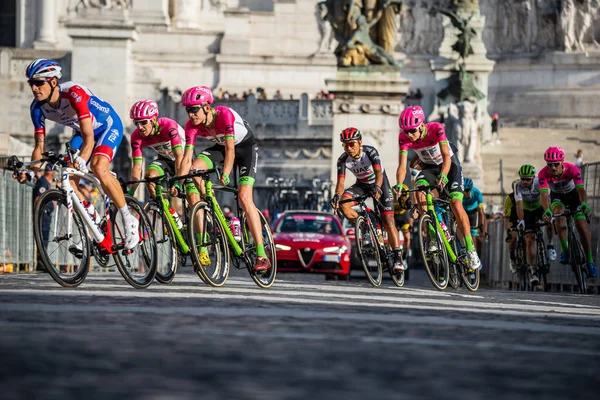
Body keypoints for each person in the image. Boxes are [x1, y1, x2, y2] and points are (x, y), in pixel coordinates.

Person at [17, 59, 138, 250]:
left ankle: (127, 218)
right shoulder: (37, 108)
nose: (35, 88)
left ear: (53, 82)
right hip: (81, 132)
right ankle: (92, 222)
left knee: (98, 166)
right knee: (68, 180)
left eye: (39, 83)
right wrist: (32, 170)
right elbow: (39, 146)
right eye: (31, 83)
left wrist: (82, 160)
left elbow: (90, 137)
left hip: (106, 126)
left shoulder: (73, 93)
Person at [179, 85, 270, 272]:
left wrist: (226, 174)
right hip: (220, 148)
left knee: (245, 197)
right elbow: (187, 158)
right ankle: (211, 203)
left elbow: (231, 151)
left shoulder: (224, 115)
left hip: (244, 149)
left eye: (194, 109)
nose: (190, 115)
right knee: (195, 169)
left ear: (206, 107)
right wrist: (179, 181)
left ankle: (262, 254)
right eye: (188, 110)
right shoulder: (191, 126)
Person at [396, 105, 481, 270]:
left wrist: (443, 174)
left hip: (449, 166)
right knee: (420, 192)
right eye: (406, 131)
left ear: (421, 125)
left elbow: (446, 156)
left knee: (456, 204)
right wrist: (400, 184)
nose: (409, 135)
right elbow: (402, 166)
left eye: (412, 130)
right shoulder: (404, 138)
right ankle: (434, 235)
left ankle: (470, 250)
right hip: (429, 169)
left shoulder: (436, 128)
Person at [330, 127, 405, 272]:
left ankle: (398, 257)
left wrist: (377, 187)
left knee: (389, 221)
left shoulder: (370, 152)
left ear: (359, 142)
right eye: (346, 145)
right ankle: (365, 224)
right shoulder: (343, 160)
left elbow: (379, 173)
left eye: (352, 144)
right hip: (362, 185)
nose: (349, 148)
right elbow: (340, 183)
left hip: (380, 183)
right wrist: (337, 197)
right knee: (343, 204)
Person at [539, 146, 597, 277]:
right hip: (557, 197)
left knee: (582, 225)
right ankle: (565, 250)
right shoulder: (543, 173)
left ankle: (589, 261)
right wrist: (547, 210)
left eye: (555, 164)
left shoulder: (572, 169)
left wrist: (583, 203)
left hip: (574, 196)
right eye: (549, 164)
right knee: (558, 213)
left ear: (562, 162)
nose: (552, 167)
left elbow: (581, 189)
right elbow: (543, 195)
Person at [127, 100, 186, 198]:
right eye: (136, 123)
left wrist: (177, 182)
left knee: (192, 197)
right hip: (165, 159)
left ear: (154, 119)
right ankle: (167, 210)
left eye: (143, 122)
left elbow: (179, 156)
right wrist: (131, 192)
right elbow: (137, 167)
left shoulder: (168, 126)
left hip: (184, 158)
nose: (140, 127)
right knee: (150, 178)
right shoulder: (136, 136)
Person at [514, 164, 556, 285]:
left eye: (528, 179)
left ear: (533, 178)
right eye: (523, 179)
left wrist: (549, 214)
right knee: (529, 239)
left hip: (539, 207)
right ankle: (533, 271)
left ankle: (551, 244)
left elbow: (546, 198)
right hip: (527, 211)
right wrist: (521, 220)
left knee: (548, 220)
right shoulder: (518, 186)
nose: (525, 181)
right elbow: (518, 204)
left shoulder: (539, 182)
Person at [32, 163, 55, 272]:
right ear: (51, 172)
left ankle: (43, 261)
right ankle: (41, 263)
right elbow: (38, 198)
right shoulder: (43, 182)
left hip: (46, 214)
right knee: (42, 238)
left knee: (45, 238)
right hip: (42, 214)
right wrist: (36, 215)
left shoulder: (47, 182)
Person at [462, 178, 487, 257]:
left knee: (473, 237)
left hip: (474, 212)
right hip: (463, 211)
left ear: (471, 189)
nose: (465, 193)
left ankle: (475, 256)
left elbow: (481, 212)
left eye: (467, 190)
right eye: (463, 190)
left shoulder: (477, 193)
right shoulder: (459, 193)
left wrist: (481, 226)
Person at [393, 183, 414, 262]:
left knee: (407, 237)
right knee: (393, 236)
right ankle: (394, 255)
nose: (404, 198)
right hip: (394, 215)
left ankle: (404, 256)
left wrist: (411, 225)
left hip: (403, 216)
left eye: (405, 197)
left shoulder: (407, 194)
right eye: (403, 197)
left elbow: (409, 210)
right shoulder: (393, 193)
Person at [503, 180, 519, 273]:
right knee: (513, 238)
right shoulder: (510, 198)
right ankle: (512, 258)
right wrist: (508, 231)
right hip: (513, 218)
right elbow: (506, 217)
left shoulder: (527, 195)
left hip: (525, 217)